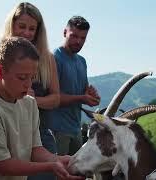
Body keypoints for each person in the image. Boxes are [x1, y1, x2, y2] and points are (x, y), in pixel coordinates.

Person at [0, 37, 83, 180]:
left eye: (31, 77)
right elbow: (3, 165)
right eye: (22, 77)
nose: (28, 85)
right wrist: (50, 166)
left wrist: (56, 159)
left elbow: (35, 149)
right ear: (0, 73)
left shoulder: (29, 103)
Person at [0, 3, 59, 179]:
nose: (27, 33)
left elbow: (56, 98)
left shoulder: (46, 59)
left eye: (32, 29)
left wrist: (30, 100)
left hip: (38, 132)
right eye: (22, 26)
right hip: (3, 134)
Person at [49, 16, 101, 156]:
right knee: (58, 174)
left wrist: (91, 96)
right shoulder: (54, 58)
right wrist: (82, 98)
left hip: (75, 129)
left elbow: (83, 92)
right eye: (74, 36)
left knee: (76, 174)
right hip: (56, 130)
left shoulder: (82, 61)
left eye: (83, 38)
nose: (78, 41)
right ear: (64, 32)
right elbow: (52, 97)